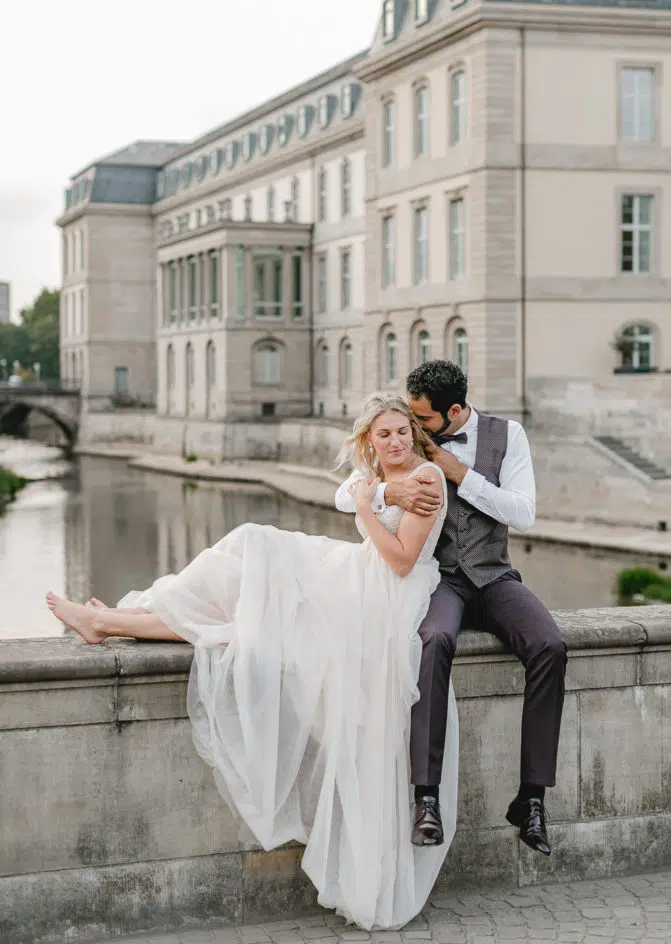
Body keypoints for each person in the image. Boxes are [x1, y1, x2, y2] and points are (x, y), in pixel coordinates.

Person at [46, 393, 459, 930]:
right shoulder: (375, 475)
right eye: (384, 434)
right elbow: (346, 492)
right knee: (244, 566)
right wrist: (374, 491)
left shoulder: (427, 478)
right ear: (369, 441)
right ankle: (111, 620)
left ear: (413, 433)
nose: (396, 441)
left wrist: (367, 506)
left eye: (402, 431)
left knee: (250, 582)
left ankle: (108, 621)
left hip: (385, 597)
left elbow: (402, 561)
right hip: (356, 577)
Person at [336, 360, 567, 856]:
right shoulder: (409, 438)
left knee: (550, 645)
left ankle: (531, 798)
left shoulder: (509, 436)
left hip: (494, 575)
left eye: (421, 418)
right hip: (441, 581)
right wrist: (386, 490)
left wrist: (461, 474)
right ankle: (426, 797)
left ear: (455, 411)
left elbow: (524, 512)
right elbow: (343, 493)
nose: (412, 426)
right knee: (433, 640)